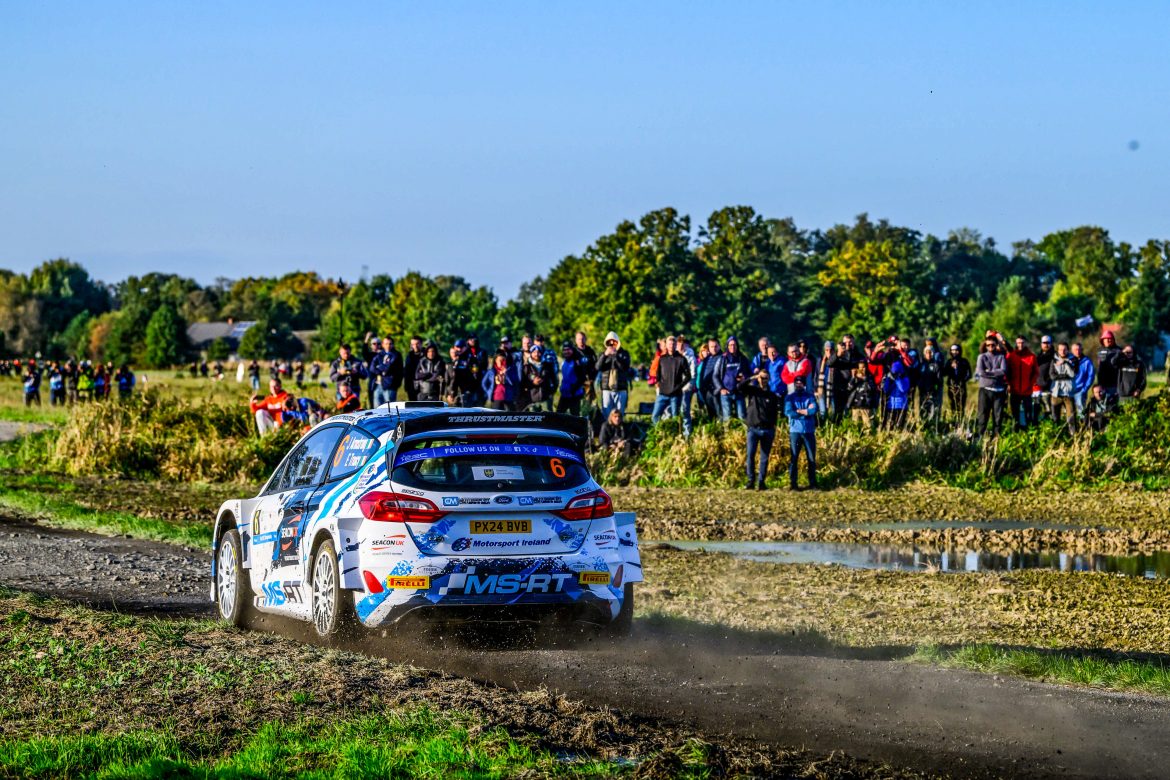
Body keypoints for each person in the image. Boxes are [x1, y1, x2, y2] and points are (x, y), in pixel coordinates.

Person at [739, 367, 781, 490]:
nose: (763, 380)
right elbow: (740, 387)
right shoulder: (753, 391)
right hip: (753, 428)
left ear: (769, 379)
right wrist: (752, 377)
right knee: (750, 455)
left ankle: (761, 482)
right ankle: (750, 480)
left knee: (764, 458)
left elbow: (775, 413)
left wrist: (773, 427)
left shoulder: (772, 396)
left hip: (767, 430)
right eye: (761, 377)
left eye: (765, 378)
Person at [651, 335, 692, 435]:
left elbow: (688, 376)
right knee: (655, 416)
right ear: (666, 345)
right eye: (669, 344)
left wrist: (679, 387)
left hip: (676, 395)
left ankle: (675, 437)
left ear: (676, 345)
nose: (671, 346)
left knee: (675, 418)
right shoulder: (662, 359)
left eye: (673, 344)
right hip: (662, 394)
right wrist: (658, 383)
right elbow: (658, 374)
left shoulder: (681, 359)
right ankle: (661, 434)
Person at [784, 377, 818, 490]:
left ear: (804, 385)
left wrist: (799, 411)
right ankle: (793, 484)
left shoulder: (810, 396)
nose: (798, 385)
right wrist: (806, 412)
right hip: (795, 431)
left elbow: (814, 410)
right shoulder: (790, 397)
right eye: (796, 383)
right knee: (794, 458)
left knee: (811, 458)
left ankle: (813, 483)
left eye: (800, 383)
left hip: (809, 431)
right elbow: (789, 412)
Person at [974, 333, 1008, 437]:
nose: (990, 347)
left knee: (998, 416)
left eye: (992, 345)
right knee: (983, 415)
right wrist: (995, 372)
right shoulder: (982, 357)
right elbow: (981, 372)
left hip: (999, 390)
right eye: (988, 345)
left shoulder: (1001, 357)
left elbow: (1003, 371)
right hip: (985, 389)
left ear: (996, 345)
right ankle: (980, 436)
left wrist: (989, 372)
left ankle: (996, 438)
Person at [826, 336, 864, 423]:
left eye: (850, 342)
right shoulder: (838, 354)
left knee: (851, 410)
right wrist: (838, 354)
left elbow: (863, 369)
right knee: (838, 411)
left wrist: (858, 373)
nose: (848, 344)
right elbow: (829, 364)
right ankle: (836, 426)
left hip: (854, 388)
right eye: (845, 342)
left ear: (853, 343)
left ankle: (851, 426)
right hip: (839, 387)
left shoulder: (858, 356)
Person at [713, 337, 750, 422]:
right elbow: (715, 375)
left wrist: (744, 377)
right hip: (726, 393)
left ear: (737, 346)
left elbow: (749, 373)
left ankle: (743, 431)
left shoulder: (742, 358)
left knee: (742, 417)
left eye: (734, 345)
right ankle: (728, 431)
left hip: (739, 392)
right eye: (730, 345)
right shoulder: (722, 359)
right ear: (727, 346)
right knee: (727, 418)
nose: (732, 347)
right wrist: (721, 388)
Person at [596, 331, 632, 418]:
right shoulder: (603, 354)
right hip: (606, 389)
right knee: (606, 415)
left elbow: (625, 368)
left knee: (619, 415)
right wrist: (605, 355)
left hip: (621, 388)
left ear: (618, 342)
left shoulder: (624, 353)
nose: (612, 344)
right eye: (609, 342)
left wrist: (616, 356)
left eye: (614, 342)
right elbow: (598, 367)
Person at [1006, 336, 1038, 429]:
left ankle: (1029, 432)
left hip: (1027, 391)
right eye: (1018, 343)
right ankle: (1015, 432)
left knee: (1028, 414)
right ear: (1016, 343)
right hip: (1014, 390)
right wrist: (1009, 383)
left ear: (1026, 343)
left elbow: (1036, 372)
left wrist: (1031, 383)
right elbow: (1006, 371)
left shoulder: (1031, 356)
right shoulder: (1011, 355)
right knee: (1015, 415)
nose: (1020, 345)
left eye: (1022, 343)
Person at [1048, 342, 1078, 430]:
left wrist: (1065, 362)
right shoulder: (1053, 360)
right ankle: (1057, 435)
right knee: (1055, 418)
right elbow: (1052, 376)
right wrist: (1065, 376)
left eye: (1065, 349)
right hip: (1056, 393)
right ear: (1058, 350)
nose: (1063, 351)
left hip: (1069, 393)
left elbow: (1072, 374)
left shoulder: (1074, 360)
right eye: (1060, 349)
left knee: (1071, 418)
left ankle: (1073, 435)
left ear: (1068, 350)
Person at [556, 341, 590, 415]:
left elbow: (582, 378)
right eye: (564, 350)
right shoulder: (564, 362)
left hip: (574, 395)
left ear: (572, 350)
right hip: (565, 394)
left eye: (568, 349)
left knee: (575, 416)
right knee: (558, 414)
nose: (566, 352)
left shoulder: (576, 361)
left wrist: (573, 389)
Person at [369, 336, 403, 406]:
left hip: (390, 385)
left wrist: (379, 367)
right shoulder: (379, 354)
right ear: (383, 344)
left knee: (389, 408)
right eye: (386, 343)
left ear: (393, 344)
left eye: (390, 344)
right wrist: (381, 371)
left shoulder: (396, 355)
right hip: (378, 385)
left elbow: (389, 368)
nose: (388, 345)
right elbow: (372, 368)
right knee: (377, 408)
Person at [522, 343, 557, 411]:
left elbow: (554, 380)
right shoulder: (526, 367)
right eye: (534, 352)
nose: (537, 354)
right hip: (532, 400)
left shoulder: (548, 365)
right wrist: (533, 383)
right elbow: (523, 383)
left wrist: (551, 393)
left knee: (548, 417)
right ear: (531, 353)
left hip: (546, 399)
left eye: (539, 352)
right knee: (533, 417)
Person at [845, 364, 878, 430]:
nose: (862, 369)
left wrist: (864, 379)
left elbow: (872, 389)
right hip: (856, 405)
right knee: (855, 425)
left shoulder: (870, 377)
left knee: (868, 425)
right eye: (860, 368)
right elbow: (849, 388)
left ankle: (869, 435)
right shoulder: (855, 378)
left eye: (863, 367)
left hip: (866, 406)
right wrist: (853, 377)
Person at [917, 343, 943, 423]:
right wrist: (920, 385)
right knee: (922, 407)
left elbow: (939, 379)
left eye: (930, 352)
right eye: (927, 352)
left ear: (933, 353)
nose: (928, 354)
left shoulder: (936, 365)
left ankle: (931, 424)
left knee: (932, 408)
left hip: (932, 391)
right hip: (922, 391)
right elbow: (917, 376)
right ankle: (923, 424)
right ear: (924, 353)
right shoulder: (921, 364)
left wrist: (935, 388)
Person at [944, 344, 972, 418]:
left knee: (961, 406)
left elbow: (969, 374)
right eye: (952, 350)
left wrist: (962, 380)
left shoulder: (964, 361)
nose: (954, 352)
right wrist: (950, 367)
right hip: (951, 387)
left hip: (961, 387)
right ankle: (953, 421)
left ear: (959, 351)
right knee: (952, 405)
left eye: (956, 350)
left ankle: (960, 421)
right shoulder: (949, 361)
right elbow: (944, 373)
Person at [574, 331, 598, 409]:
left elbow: (596, 366)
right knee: (578, 404)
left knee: (590, 404)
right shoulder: (573, 352)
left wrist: (593, 378)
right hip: (577, 383)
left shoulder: (590, 351)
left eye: (582, 339)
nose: (581, 341)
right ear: (576, 340)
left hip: (589, 382)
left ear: (585, 339)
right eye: (579, 339)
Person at [1071, 342, 1095, 418]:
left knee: (1081, 413)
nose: (1077, 351)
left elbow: (1091, 376)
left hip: (1080, 391)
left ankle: (1082, 424)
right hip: (1069, 391)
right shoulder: (1068, 361)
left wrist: (1084, 389)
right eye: (1075, 350)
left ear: (1082, 350)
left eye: (1079, 349)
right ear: (1072, 351)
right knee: (1069, 412)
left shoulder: (1087, 361)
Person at [1034, 336, 1055, 422]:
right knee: (1036, 410)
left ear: (1051, 344)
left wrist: (1048, 382)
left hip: (1049, 388)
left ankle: (1051, 426)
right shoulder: (1039, 356)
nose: (1046, 345)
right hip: (1037, 388)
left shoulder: (1055, 356)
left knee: (1049, 410)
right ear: (1041, 344)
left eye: (1048, 343)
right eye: (1044, 343)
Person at [1096, 330, 1122, 398]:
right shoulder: (1099, 351)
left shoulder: (1119, 351)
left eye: (1109, 339)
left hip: (1115, 384)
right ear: (1102, 340)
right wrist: (1099, 384)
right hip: (1102, 384)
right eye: (1105, 339)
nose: (1107, 341)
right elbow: (1099, 367)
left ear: (1113, 340)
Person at [402, 336, 424, 402]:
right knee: (412, 405)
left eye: (417, 344)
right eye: (413, 344)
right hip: (411, 387)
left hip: (423, 386)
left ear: (421, 344)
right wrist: (406, 386)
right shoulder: (409, 356)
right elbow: (406, 372)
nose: (415, 346)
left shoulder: (427, 355)